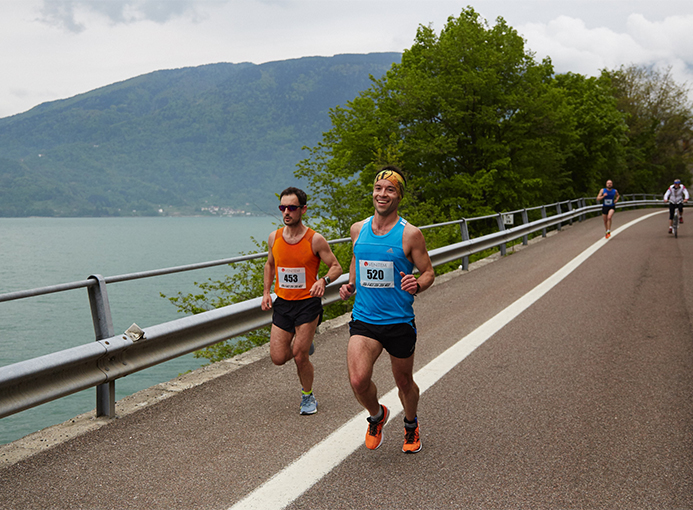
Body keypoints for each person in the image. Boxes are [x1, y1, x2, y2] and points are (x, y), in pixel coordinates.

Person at [339, 165, 435, 454]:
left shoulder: (410, 234)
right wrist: (351, 284)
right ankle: (377, 415)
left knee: (404, 381)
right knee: (358, 380)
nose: (383, 194)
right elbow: (358, 260)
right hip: (365, 319)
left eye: (390, 189)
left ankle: (410, 423)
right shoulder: (358, 229)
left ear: (399, 196)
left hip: (399, 321)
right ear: (373, 192)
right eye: (379, 188)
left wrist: (417, 284)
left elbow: (428, 272)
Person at [262, 187, 342, 415]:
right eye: (282, 207)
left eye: (292, 208)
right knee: (278, 358)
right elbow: (269, 264)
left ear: (303, 210)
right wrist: (267, 292)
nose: (286, 212)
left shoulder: (315, 239)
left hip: (308, 304)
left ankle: (308, 396)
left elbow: (336, 267)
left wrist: (324, 281)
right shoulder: (274, 238)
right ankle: (305, 345)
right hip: (283, 304)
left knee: (299, 355)